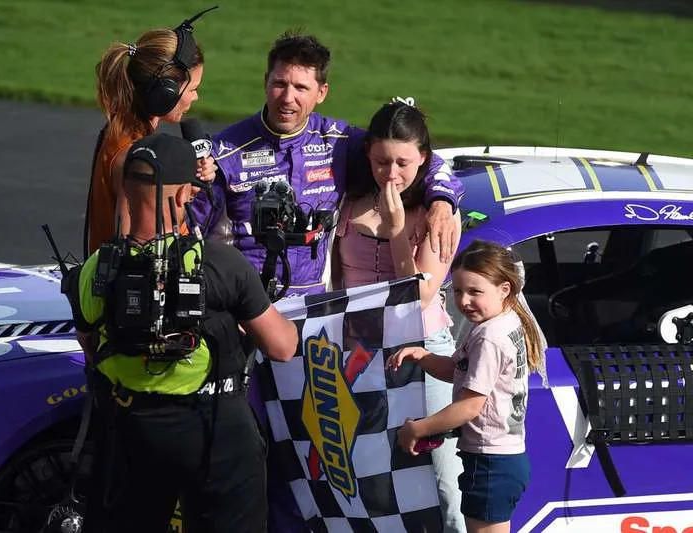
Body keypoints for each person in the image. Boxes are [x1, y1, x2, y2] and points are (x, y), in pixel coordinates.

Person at [70, 132, 298, 532]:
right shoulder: (222, 264)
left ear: (126, 189)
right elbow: (282, 347)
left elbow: (90, 346)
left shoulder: (94, 271)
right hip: (216, 434)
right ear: (183, 197)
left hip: (131, 432)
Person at [190, 31, 465, 299]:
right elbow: (190, 231)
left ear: (321, 92)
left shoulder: (338, 141)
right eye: (280, 84)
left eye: (301, 88)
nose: (287, 98)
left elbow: (416, 157)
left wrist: (441, 201)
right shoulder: (224, 151)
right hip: (244, 307)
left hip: (314, 310)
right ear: (265, 82)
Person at [331, 99, 465, 533]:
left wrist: (394, 233)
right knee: (362, 476)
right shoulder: (348, 198)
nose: (392, 174)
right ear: (368, 153)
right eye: (381, 161)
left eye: (404, 163)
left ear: (424, 158)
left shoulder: (438, 214)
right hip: (355, 350)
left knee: (441, 481)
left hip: (419, 350)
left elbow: (420, 295)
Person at [388, 240, 545, 533]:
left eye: (475, 292)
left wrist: (418, 429)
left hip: (491, 464)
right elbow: (460, 371)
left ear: (505, 289)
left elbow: (470, 407)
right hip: (500, 460)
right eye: (458, 291)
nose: (464, 301)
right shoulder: (503, 321)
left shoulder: (489, 338)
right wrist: (424, 356)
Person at [85, 20, 215, 258]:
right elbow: (130, 248)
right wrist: (182, 196)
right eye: (193, 88)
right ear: (165, 94)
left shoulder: (121, 132)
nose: (196, 97)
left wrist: (184, 187)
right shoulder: (135, 157)